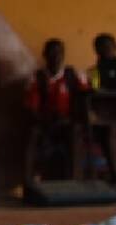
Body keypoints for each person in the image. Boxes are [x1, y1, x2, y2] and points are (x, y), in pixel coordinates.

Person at [25, 38, 89, 180]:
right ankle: (29, 181)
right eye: (51, 53)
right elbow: (32, 108)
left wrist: (73, 118)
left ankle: (75, 179)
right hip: (45, 122)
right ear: (44, 55)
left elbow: (85, 100)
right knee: (32, 134)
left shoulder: (74, 75)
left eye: (59, 53)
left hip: (68, 122)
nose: (55, 57)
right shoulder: (37, 78)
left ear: (63, 55)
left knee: (75, 133)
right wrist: (44, 121)